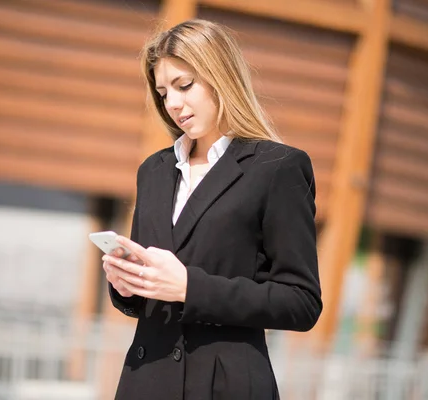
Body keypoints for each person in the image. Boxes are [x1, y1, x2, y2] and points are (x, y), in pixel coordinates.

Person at [102, 19, 321, 400]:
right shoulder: (154, 171)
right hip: (145, 381)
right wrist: (127, 286)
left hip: (224, 385)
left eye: (184, 86)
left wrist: (191, 287)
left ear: (221, 77)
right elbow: (151, 291)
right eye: (163, 91)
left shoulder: (276, 167)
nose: (172, 103)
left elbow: (301, 302)